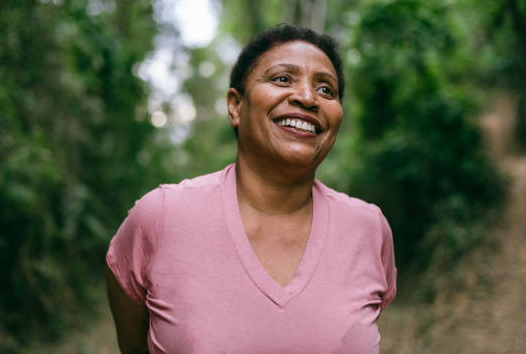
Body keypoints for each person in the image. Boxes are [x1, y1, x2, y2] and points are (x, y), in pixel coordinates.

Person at [106, 24, 397, 354]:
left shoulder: (368, 228)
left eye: (326, 90)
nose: (307, 97)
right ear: (235, 106)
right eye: (283, 79)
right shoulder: (159, 218)